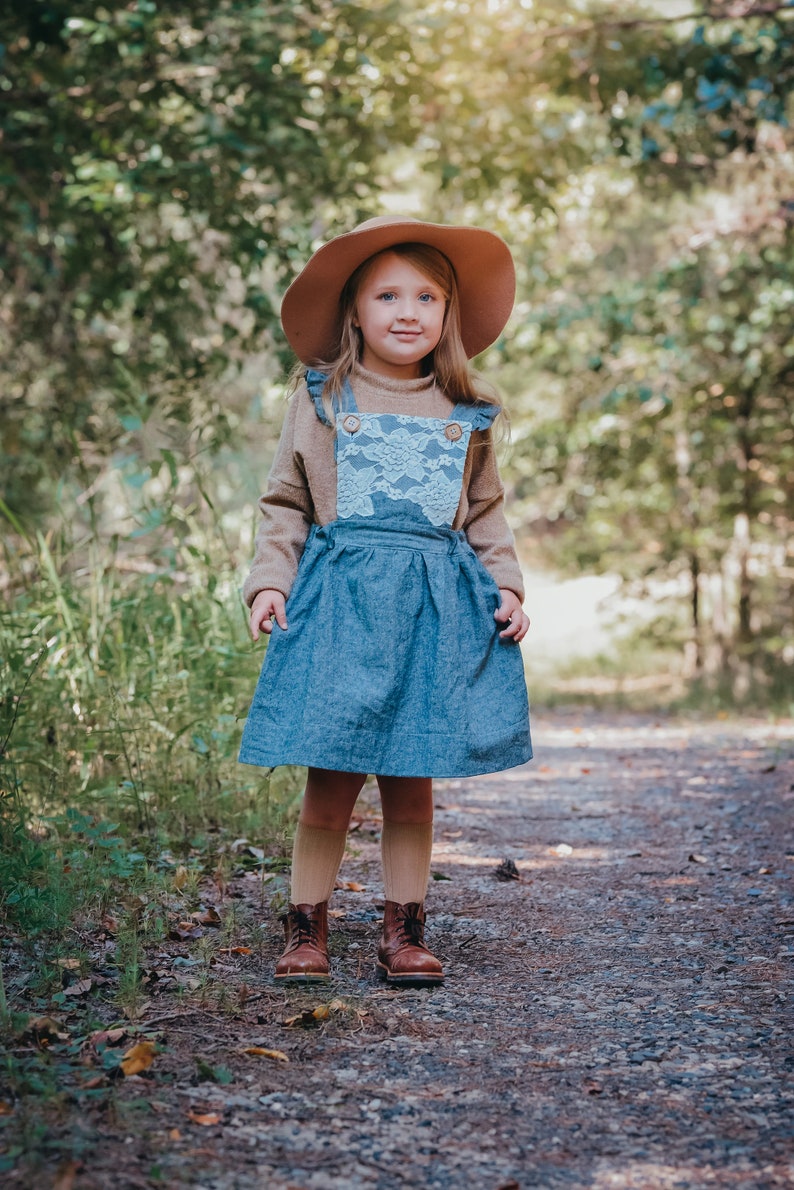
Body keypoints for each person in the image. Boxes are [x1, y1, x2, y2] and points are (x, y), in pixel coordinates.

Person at [239, 215, 532, 987]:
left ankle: (404, 930)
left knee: (414, 772)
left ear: (448, 314)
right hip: (340, 606)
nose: (409, 312)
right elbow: (285, 502)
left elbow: (487, 513)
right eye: (388, 295)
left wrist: (508, 586)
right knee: (331, 773)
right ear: (355, 313)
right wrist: (270, 579)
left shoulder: (466, 411)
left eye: (427, 297)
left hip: (435, 610)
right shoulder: (323, 397)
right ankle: (306, 927)